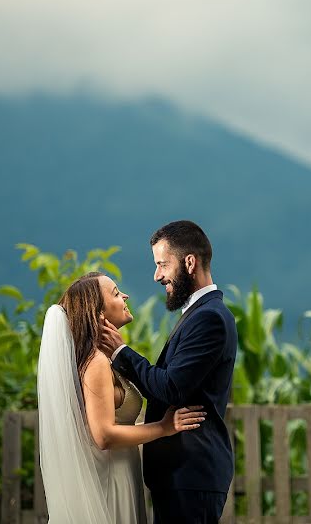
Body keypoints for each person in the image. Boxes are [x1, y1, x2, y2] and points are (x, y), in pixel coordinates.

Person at [37, 271, 206, 523]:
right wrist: (164, 427)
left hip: (122, 472)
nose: (125, 295)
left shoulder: (106, 359)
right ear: (100, 313)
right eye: (116, 293)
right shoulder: (95, 363)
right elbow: (103, 435)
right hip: (110, 480)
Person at [99, 220, 238, 524]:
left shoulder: (210, 318)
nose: (157, 275)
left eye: (162, 264)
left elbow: (172, 387)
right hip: (181, 475)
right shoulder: (200, 314)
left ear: (190, 262)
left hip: (191, 472)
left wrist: (122, 352)